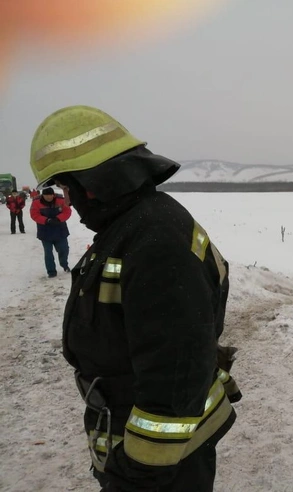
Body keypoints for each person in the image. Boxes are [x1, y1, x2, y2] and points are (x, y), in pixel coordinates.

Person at [29, 105, 241, 492]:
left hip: (163, 460)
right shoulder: (132, 225)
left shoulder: (155, 242)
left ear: (92, 184)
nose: (69, 202)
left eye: (66, 188)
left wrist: (138, 474)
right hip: (138, 437)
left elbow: (174, 376)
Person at [30, 186, 71, 277]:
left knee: (64, 249)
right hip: (45, 231)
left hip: (60, 230)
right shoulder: (36, 203)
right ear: (43, 195)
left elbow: (67, 211)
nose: (48, 197)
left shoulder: (61, 201)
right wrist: (46, 220)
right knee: (48, 253)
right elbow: (34, 215)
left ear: (53, 195)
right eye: (46, 195)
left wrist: (58, 218)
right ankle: (51, 271)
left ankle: (64, 264)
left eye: (50, 195)